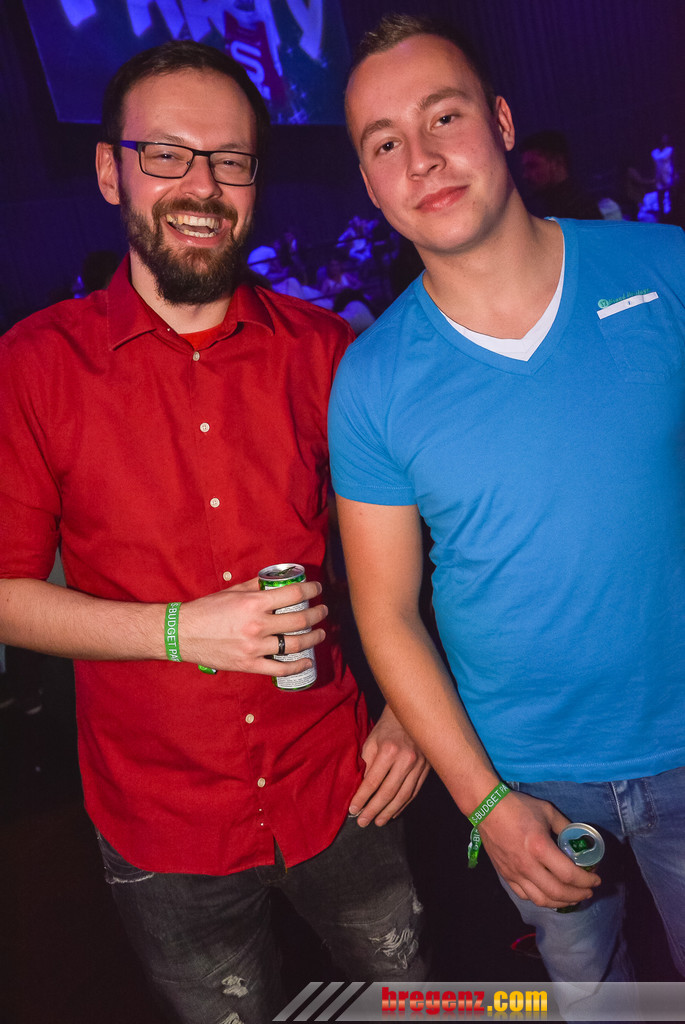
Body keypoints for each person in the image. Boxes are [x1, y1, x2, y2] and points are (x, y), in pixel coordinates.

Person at [0, 40, 429, 1024]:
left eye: (229, 159)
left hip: (343, 787)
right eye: (166, 154)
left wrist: (411, 714)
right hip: (162, 825)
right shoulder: (33, 366)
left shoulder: (328, 354)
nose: (202, 187)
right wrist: (179, 631)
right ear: (109, 170)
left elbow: (421, 551)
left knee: (409, 1000)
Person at [329, 13, 685, 1020]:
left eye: (442, 117)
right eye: (384, 143)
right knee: (586, 994)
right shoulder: (372, 380)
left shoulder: (664, 272)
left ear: (499, 122)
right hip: (522, 774)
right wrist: (483, 800)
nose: (420, 158)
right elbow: (385, 611)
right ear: (368, 183)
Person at [520, 129, 602, 220]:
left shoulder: (580, 207)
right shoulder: (543, 204)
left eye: (532, 166)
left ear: (557, 162)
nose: (525, 175)